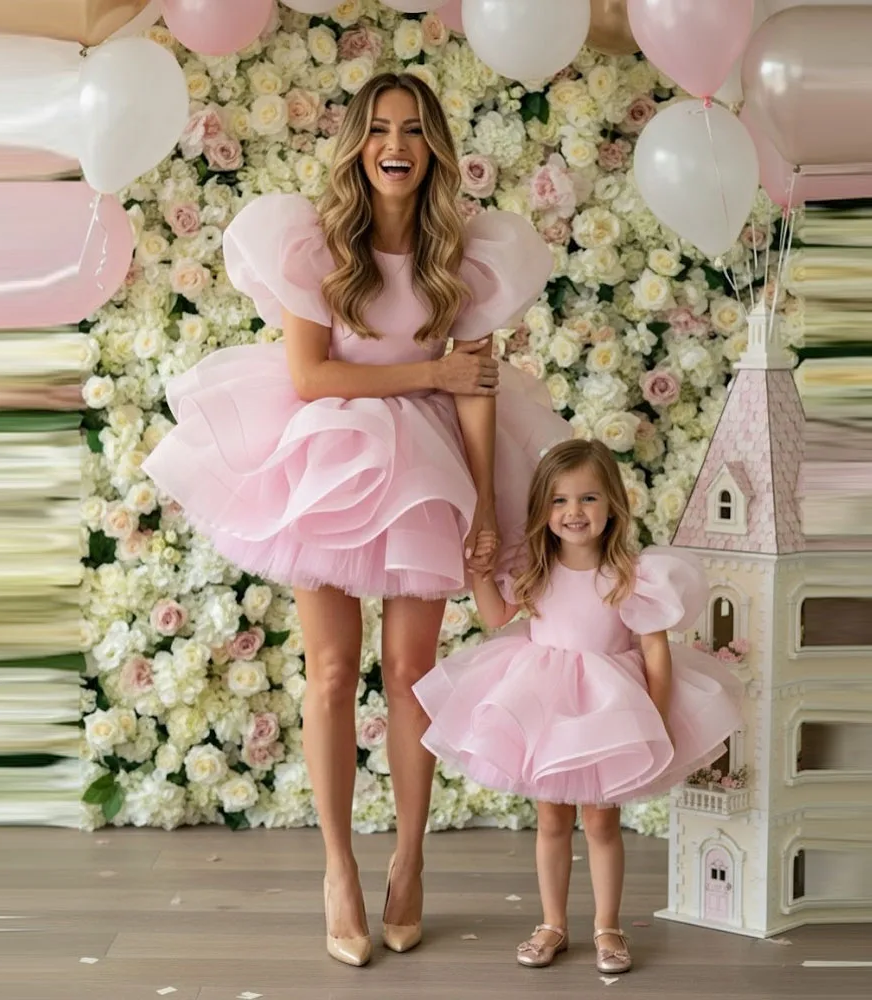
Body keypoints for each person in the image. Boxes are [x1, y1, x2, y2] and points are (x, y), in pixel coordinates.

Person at [141, 72, 571, 967]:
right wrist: (429, 374)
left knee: (413, 670)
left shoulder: (465, 256)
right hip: (331, 464)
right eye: (379, 129)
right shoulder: (314, 244)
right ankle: (338, 868)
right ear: (358, 143)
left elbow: (479, 395)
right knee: (332, 671)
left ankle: (408, 862)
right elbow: (311, 377)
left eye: (413, 129)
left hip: (430, 473)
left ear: (434, 146)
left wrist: (486, 508)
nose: (396, 145)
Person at [413, 439, 744, 975]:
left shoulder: (631, 578)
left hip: (607, 711)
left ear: (613, 503)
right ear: (543, 508)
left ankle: (607, 927)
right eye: (560, 500)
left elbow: (656, 657)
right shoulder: (535, 569)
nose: (574, 512)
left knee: (602, 824)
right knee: (550, 820)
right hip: (545, 707)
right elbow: (497, 615)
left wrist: (655, 725)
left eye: (588, 498)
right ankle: (552, 924)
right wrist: (478, 572)